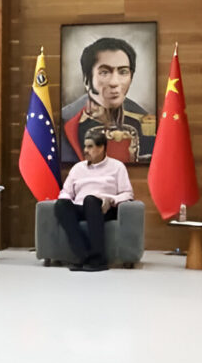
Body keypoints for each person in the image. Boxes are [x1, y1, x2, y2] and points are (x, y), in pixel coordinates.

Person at [61, 37, 155, 164]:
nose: (114, 82)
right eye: (104, 72)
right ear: (87, 80)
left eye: (123, 72)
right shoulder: (65, 120)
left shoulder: (144, 121)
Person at [53, 130, 134, 272]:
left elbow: (128, 194)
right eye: (85, 146)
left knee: (91, 200)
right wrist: (66, 201)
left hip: (104, 208)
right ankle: (83, 255)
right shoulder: (78, 168)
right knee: (61, 204)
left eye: (90, 147)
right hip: (80, 207)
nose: (85, 151)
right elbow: (66, 192)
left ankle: (98, 259)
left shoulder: (117, 167)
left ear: (101, 147)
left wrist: (110, 199)